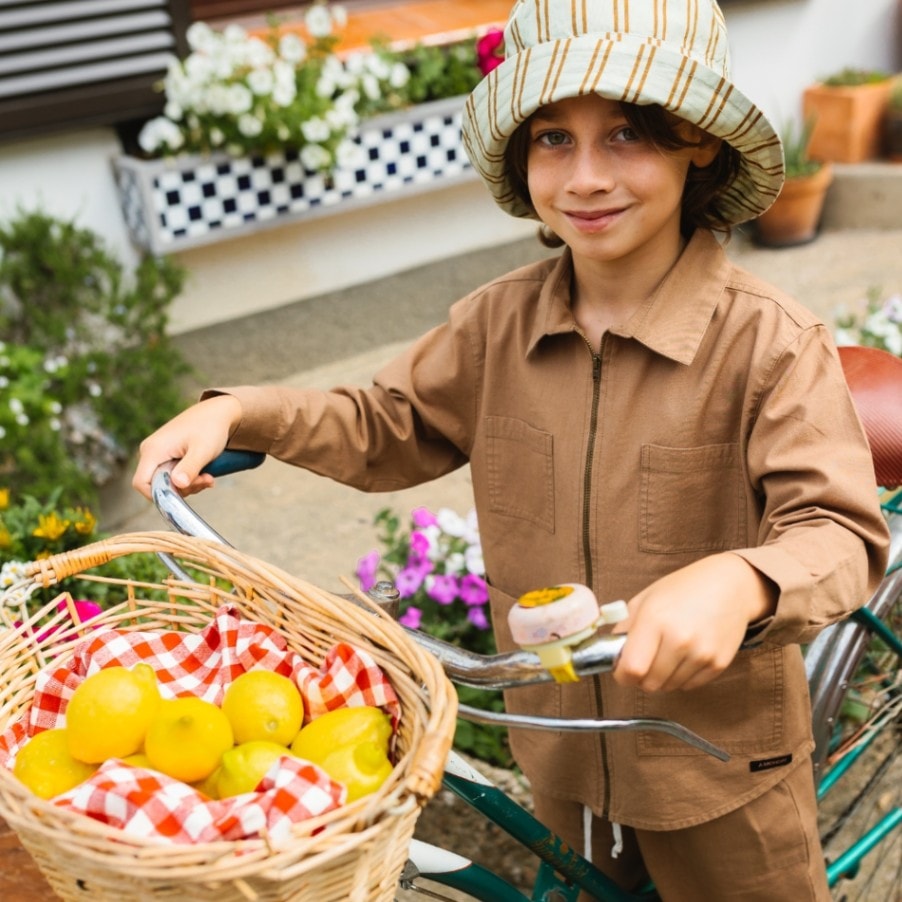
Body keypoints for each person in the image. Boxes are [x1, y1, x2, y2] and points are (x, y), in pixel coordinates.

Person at [133, 1, 890, 898]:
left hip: (716, 770)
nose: (586, 176)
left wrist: (743, 580)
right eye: (553, 140)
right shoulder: (497, 324)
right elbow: (387, 422)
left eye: (627, 134)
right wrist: (242, 412)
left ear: (701, 144)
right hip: (559, 747)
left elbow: (837, 533)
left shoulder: (767, 345)